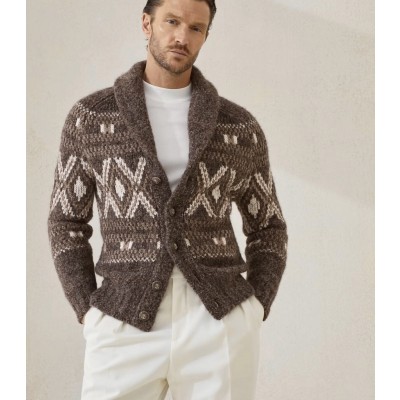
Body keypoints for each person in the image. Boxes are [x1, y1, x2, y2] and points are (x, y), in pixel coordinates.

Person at [47, 0, 288, 399]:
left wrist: (256, 305)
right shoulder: (90, 118)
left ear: (206, 35)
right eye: (171, 22)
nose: (181, 37)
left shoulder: (239, 127)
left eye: (196, 28)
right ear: (147, 23)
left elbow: (268, 225)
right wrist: (87, 311)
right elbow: (66, 221)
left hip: (218, 319)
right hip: (123, 317)